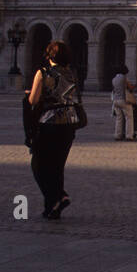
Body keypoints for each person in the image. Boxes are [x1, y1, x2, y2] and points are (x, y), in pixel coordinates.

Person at [28, 40, 82, 219]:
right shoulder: (72, 74)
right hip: (69, 124)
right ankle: (51, 208)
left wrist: (31, 94)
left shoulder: (43, 72)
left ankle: (58, 196)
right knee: (57, 166)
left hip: (49, 123)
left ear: (49, 55)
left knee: (38, 165)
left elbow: (34, 101)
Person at [112, 65, 134, 140]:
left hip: (115, 100)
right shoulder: (124, 78)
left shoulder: (114, 79)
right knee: (129, 117)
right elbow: (130, 87)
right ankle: (129, 136)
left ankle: (117, 135)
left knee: (119, 118)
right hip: (123, 100)